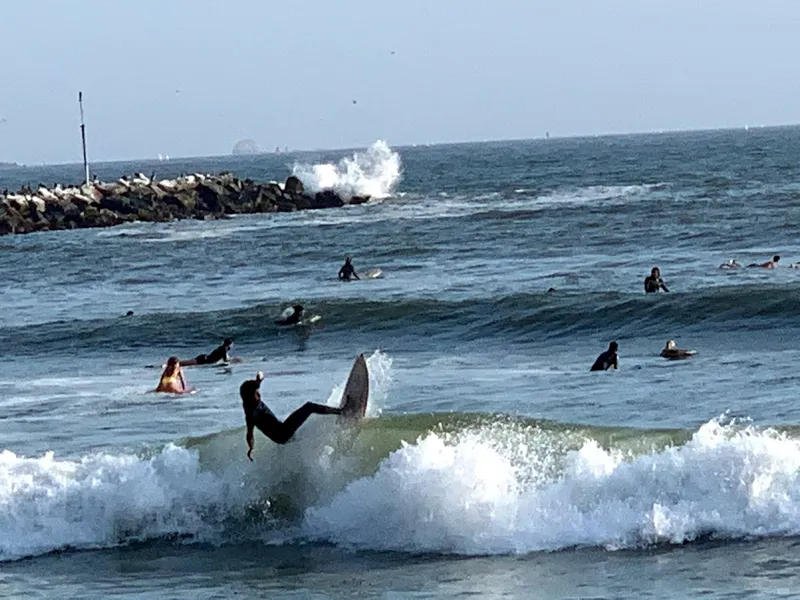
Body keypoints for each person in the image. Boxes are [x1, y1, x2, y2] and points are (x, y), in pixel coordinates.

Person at [240, 371, 343, 458]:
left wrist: (259, 376)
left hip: (281, 434)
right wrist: (251, 448)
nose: (259, 393)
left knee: (301, 430)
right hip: (283, 433)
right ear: (250, 395)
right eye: (256, 393)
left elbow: (259, 380)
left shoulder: (250, 402)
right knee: (309, 407)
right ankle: (341, 411)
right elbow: (249, 434)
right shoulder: (251, 413)